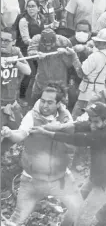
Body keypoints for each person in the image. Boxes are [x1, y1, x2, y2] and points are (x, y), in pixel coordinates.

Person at [30, 101, 106, 226]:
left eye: (95, 121)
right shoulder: (96, 125)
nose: (91, 124)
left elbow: (77, 139)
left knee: (84, 216)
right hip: (97, 177)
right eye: (90, 120)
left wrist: (47, 134)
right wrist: (49, 127)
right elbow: (76, 126)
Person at [0, 84, 83, 226]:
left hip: (60, 178)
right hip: (32, 180)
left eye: (49, 102)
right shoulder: (31, 116)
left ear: (58, 104)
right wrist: (10, 133)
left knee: (79, 210)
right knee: (16, 219)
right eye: (43, 101)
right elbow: (20, 134)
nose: (44, 105)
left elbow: (72, 144)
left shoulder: (65, 116)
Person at [66, 28, 106, 119]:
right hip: (104, 92)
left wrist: (73, 55)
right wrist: (84, 48)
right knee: (96, 118)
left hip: (89, 93)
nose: (96, 43)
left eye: (100, 42)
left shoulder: (96, 56)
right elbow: (98, 53)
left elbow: (81, 73)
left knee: (76, 117)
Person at [1, 27, 31, 154]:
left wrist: (15, 63)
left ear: (13, 41)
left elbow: (28, 71)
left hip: (12, 103)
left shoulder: (16, 52)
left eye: (6, 40)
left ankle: (4, 154)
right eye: (1, 40)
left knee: (19, 132)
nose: (2, 43)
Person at [27, 29, 74, 104]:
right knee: (36, 102)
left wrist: (65, 52)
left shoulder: (64, 41)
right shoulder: (36, 39)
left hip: (59, 79)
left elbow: (71, 62)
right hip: (42, 78)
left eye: (50, 45)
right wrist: (37, 54)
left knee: (61, 103)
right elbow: (30, 53)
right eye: (45, 45)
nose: (48, 48)